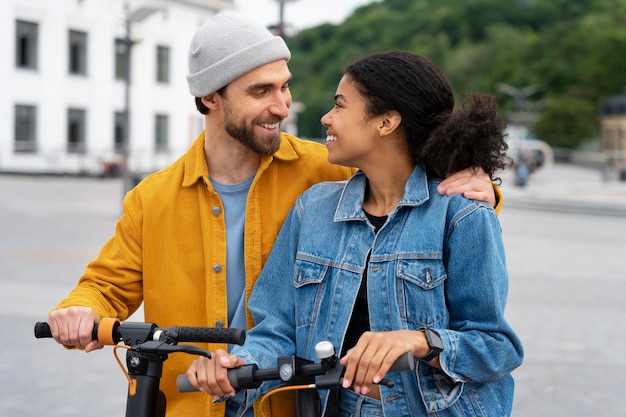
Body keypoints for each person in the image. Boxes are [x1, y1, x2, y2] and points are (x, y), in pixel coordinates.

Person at [46, 13, 501, 417]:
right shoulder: (152, 197)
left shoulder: (326, 171)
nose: (283, 106)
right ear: (210, 98)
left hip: (285, 402)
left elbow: (413, 187)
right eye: (261, 91)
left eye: (285, 86)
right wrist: (79, 309)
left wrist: (484, 190)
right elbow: (106, 285)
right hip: (192, 402)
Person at [186, 51, 524, 417]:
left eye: (340, 106)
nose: (326, 118)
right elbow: (276, 329)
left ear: (386, 122)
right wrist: (238, 364)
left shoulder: (462, 214)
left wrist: (420, 341)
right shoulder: (313, 209)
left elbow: (496, 346)